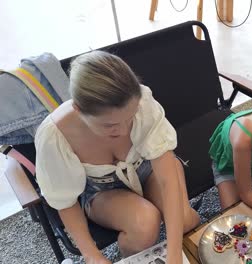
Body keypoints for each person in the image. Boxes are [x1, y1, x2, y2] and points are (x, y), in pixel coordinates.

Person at [34, 51, 200, 264]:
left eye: (130, 118)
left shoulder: (141, 100)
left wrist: (175, 254)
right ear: (78, 109)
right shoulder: (54, 136)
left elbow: (167, 180)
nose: (122, 131)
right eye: (109, 125)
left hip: (148, 166)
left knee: (185, 221)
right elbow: (65, 202)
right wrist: (92, 255)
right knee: (145, 224)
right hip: (100, 190)